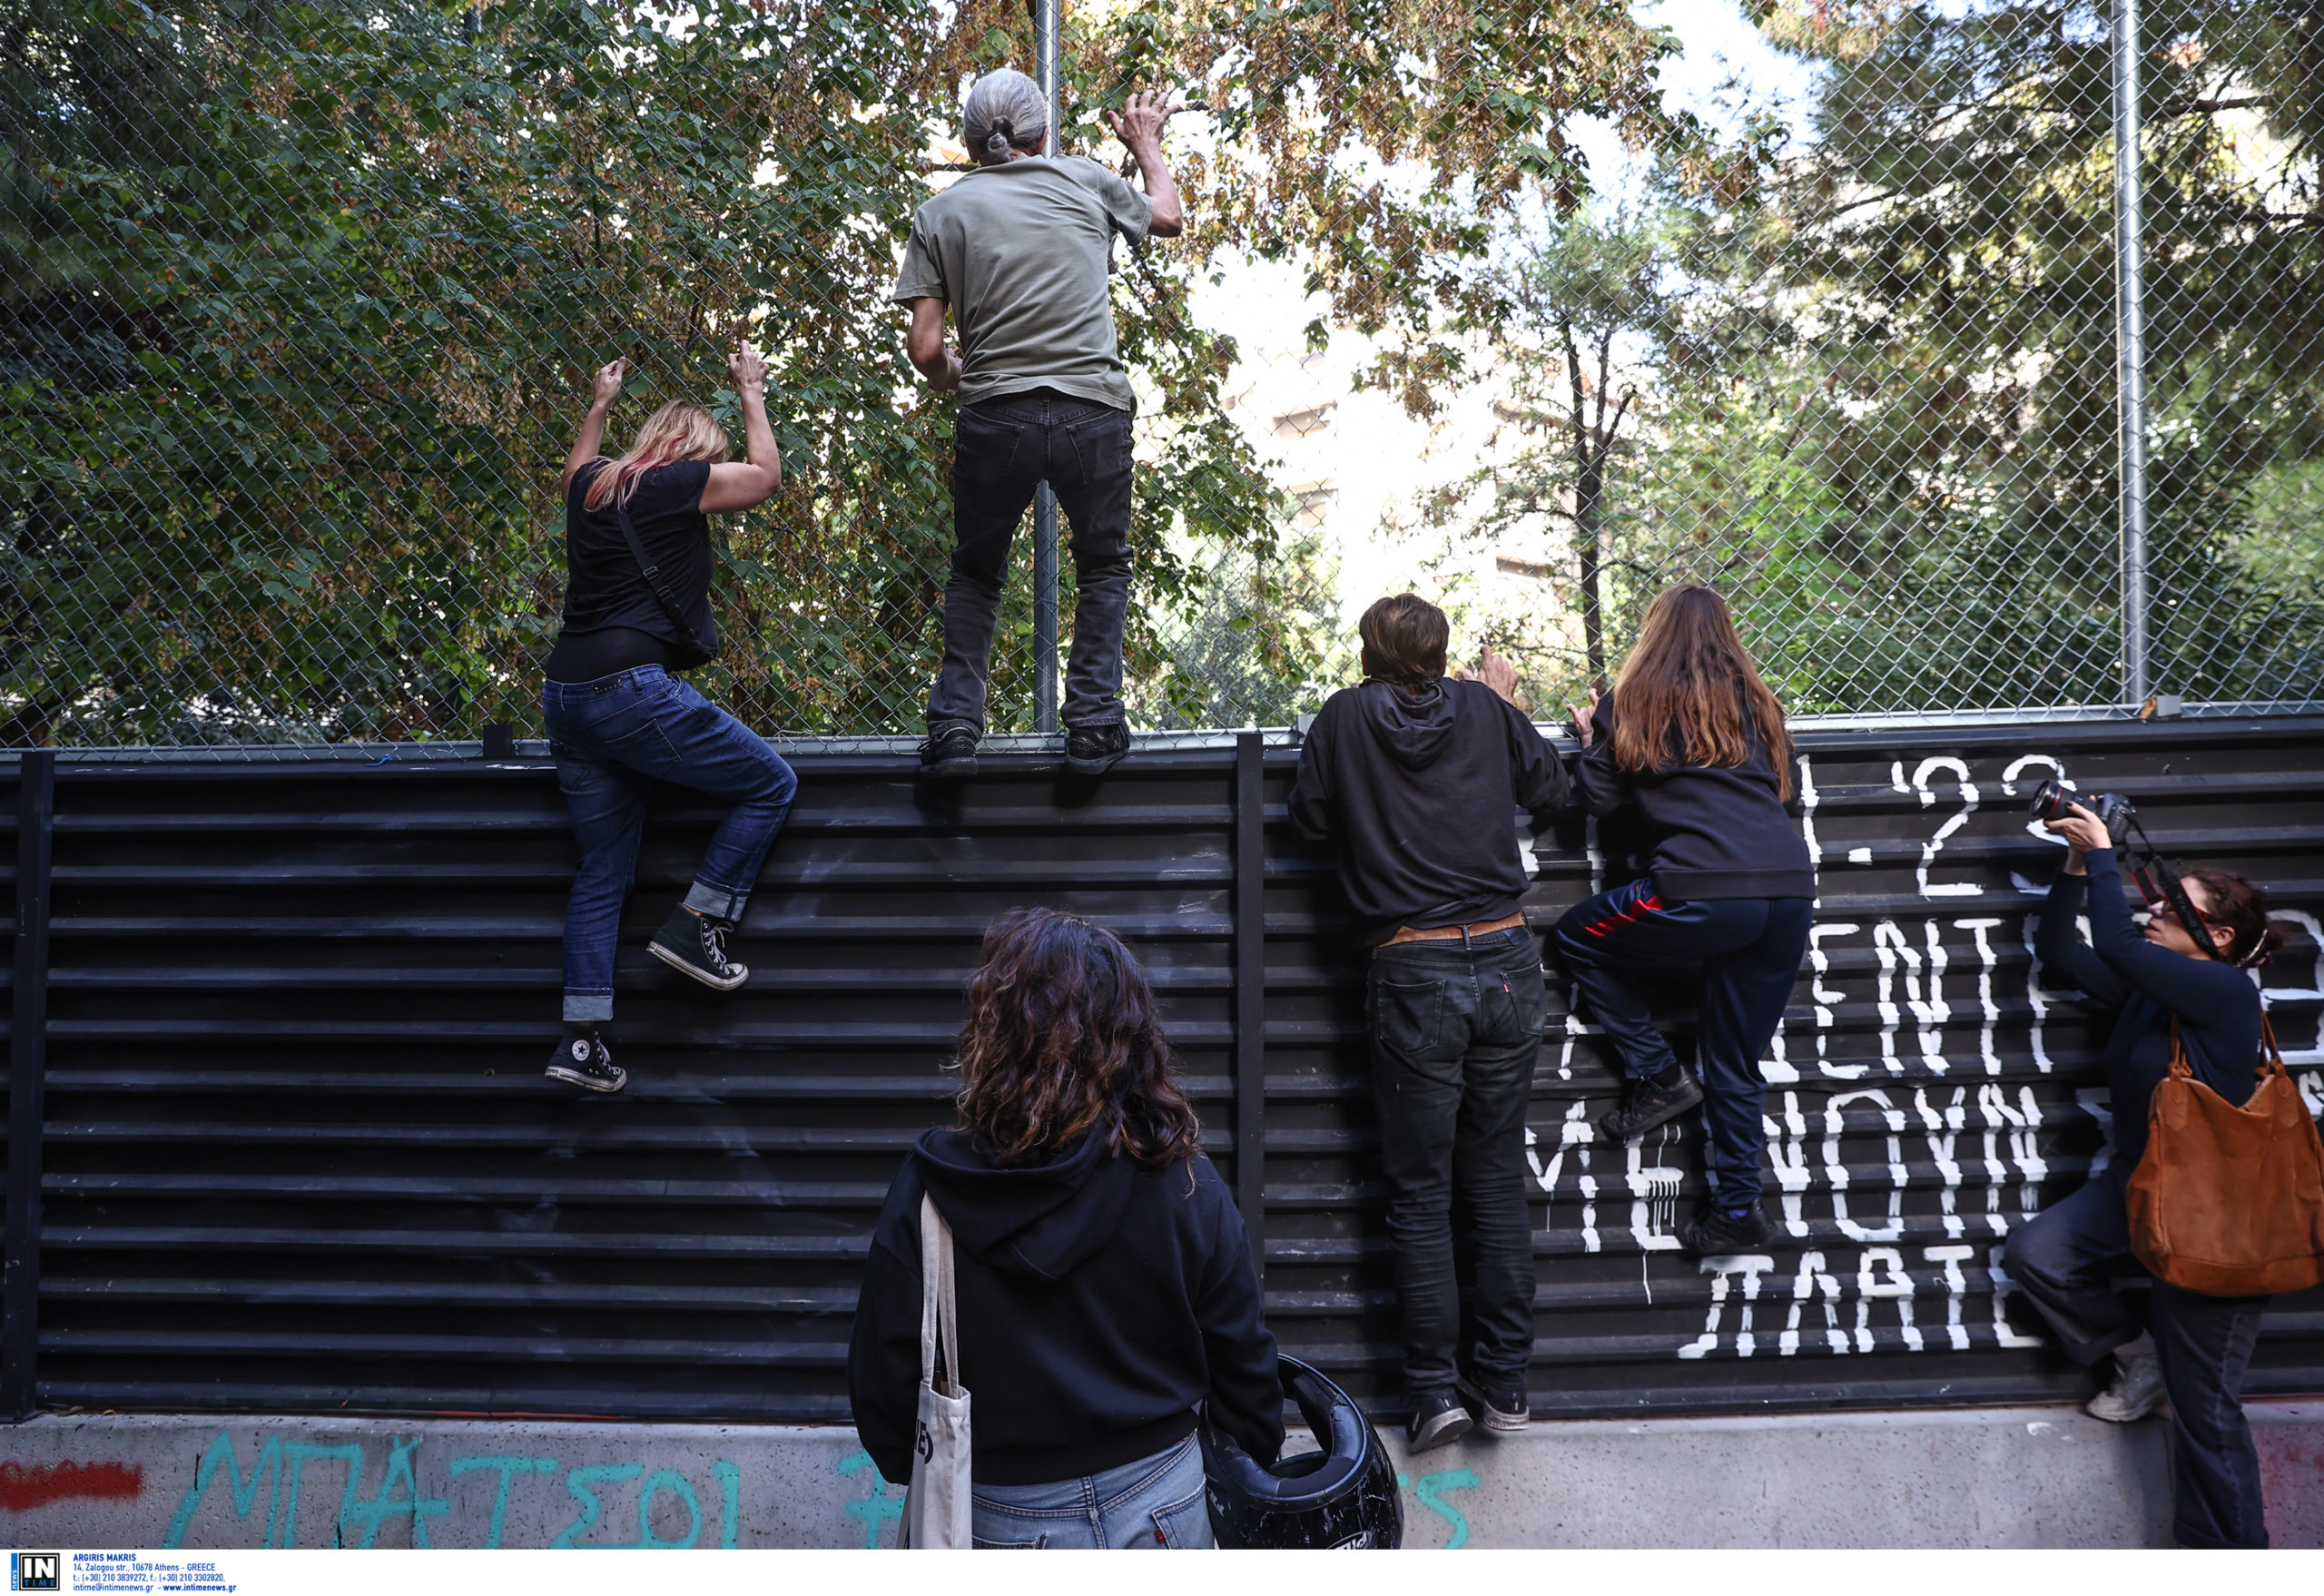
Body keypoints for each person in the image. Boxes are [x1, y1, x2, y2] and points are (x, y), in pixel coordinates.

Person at [847, 908, 1283, 1549]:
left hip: (999, 1513)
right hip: (1167, 1496)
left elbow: (882, 1377)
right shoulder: (1181, 1180)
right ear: (1130, 1035)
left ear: (993, 1031)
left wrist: (911, 1463)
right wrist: (1246, 1458)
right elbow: (1243, 1354)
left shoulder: (930, 1189)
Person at [1286, 593, 1569, 1453]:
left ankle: (1434, 1395)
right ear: (1443, 652)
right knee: (1492, 1180)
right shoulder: (1486, 708)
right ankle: (1507, 1385)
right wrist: (1507, 707)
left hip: (1412, 968)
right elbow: (1553, 789)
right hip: (1509, 959)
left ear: (1369, 652)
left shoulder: (1341, 720)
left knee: (1418, 1193)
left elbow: (1307, 824)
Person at [2004, 805, 2284, 1549]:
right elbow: (2066, 951)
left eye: (2174, 904)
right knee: (2041, 1255)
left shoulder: (2227, 996)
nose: (2153, 905)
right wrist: (2074, 863)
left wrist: (2103, 855)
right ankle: (2136, 1359)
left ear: (2218, 939)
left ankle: (2228, 1557)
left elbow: (2121, 944)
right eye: (2158, 898)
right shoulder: (2148, 994)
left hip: (2215, 1224)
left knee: (2207, 1415)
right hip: (2142, 1190)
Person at [893, 70, 1185, 780]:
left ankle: (957, 730)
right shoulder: (1083, 179)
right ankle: (1091, 728)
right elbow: (1169, 217)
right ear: (1042, 135)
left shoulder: (940, 214)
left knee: (977, 572)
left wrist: (970, 376)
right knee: (1104, 565)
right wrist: (1146, 144)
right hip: (1094, 410)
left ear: (971, 145)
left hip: (997, 415)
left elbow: (926, 351)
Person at [540, 349, 794, 1094]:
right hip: (629, 689)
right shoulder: (673, 481)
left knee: (602, 872)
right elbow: (765, 479)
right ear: (687, 451)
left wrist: (599, 403)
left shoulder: (592, 486)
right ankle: (697, 924)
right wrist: (750, 390)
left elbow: (572, 469)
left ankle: (580, 1043)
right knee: (771, 784)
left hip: (564, 694)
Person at [1550, 584, 1814, 1256]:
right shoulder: (1759, 705)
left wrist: (1594, 738)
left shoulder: (1630, 701)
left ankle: (1659, 1073)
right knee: (1733, 1063)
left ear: (1652, 633)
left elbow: (1597, 800)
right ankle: (1738, 1210)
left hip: (1699, 891)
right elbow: (1783, 794)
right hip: (1787, 894)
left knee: (1576, 936)